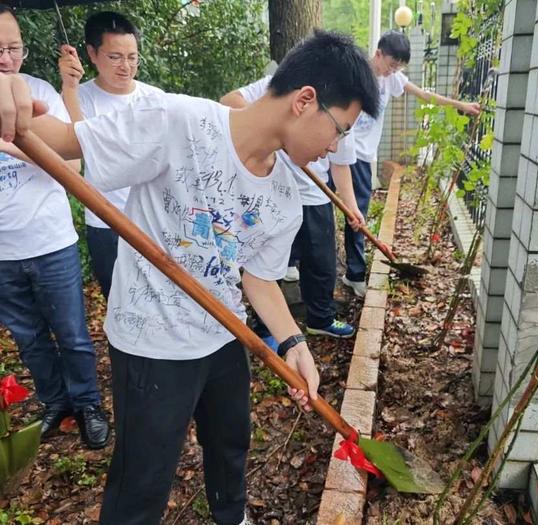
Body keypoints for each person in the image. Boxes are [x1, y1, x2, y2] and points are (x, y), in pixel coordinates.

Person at [0, 29, 379, 524]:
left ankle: (232, 516)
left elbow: (259, 280)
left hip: (223, 335)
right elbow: (67, 144)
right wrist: (14, 106)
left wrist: (294, 344)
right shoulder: (177, 121)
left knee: (230, 443)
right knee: (144, 476)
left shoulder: (285, 194)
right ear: (305, 101)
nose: (336, 146)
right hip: (150, 343)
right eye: (341, 128)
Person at [0, 4, 109, 449]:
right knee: (28, 339)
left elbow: (73, 163)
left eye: (12, 48)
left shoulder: (40, 92)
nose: (5, 58)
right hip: (3, 254)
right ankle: (54, 402)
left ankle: (88, 404)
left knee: (72, 334)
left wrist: (13, 142)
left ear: (24, 52)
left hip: (50, 242)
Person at [221, 76, 364, 340]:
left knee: (321, 264)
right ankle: (267, 329)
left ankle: (320, 318)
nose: (333, 143)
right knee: (269, 265)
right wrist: (281, 137)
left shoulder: (344, 114)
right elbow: (231, 101)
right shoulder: (283, 84)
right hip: (274, 193)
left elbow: (340, 163)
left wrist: (350, 207)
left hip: (315, 197)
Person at [342, 30, 481, 297]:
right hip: (343, 150)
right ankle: (320, 266)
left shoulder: (390, 78)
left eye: (398, 67)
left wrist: (459, 105)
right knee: (324, 207)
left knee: (356, 214)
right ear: (378, 53)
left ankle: (353, 273)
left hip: (362, 155)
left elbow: (423, 95)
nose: (393, 71)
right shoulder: (358, 76)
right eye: (391, 64)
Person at [58, 11, 163, 299]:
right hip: (106, 223)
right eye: (115, 57)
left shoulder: (155, 99)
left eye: (132, 56)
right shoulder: (80, 98)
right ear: (92, 53)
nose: (125, 66)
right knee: (118, 302)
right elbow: (77, 149)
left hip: (152, 219)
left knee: (159, 300)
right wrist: (70, 90)